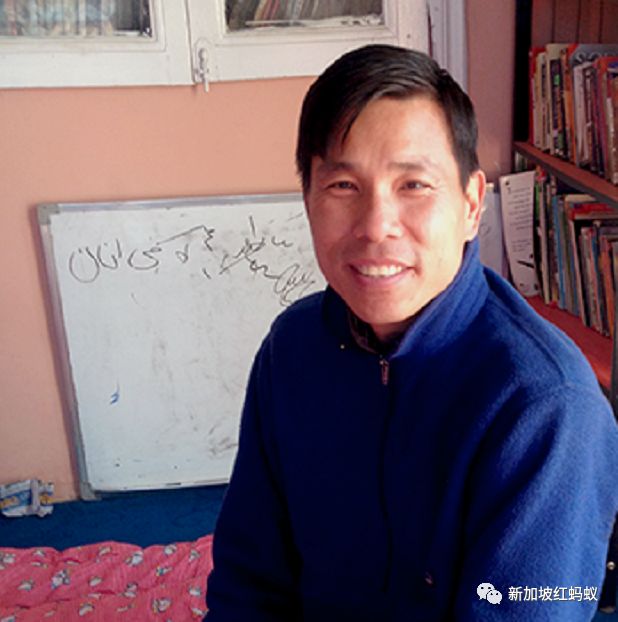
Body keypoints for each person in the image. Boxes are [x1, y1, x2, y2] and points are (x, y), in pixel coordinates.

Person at [205, 44, 618, 621]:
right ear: (308, 200)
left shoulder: (547, 405)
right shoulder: (291, 348)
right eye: (343, 186)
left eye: (414, 185)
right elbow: (248, 576)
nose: (376, 227)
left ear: (471, 205)